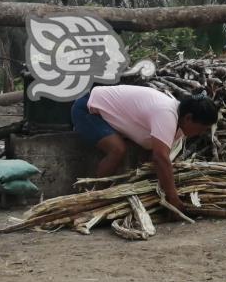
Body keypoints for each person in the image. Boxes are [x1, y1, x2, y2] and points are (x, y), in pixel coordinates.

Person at [71, 85, 218, 211]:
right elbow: (161, 158)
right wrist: (173, 198)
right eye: (202, 128)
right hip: (88, 108)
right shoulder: (166, 114)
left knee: (141, 153)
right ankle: (95, 198)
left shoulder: (178, 122)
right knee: (117, 149)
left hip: (104, 113)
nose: (201, 133)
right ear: (188, 118)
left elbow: (154, 156)